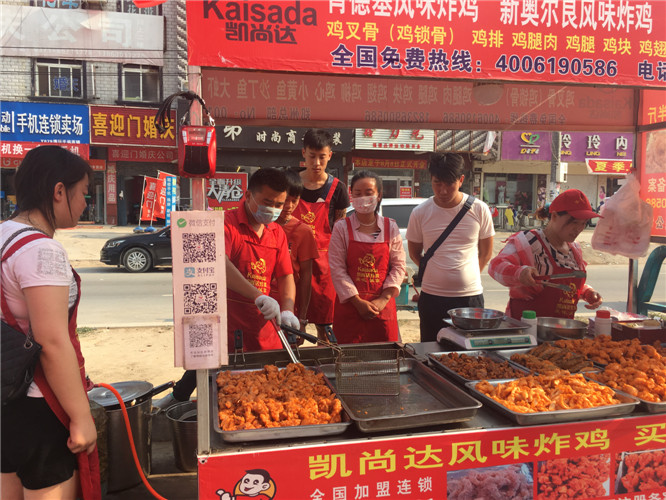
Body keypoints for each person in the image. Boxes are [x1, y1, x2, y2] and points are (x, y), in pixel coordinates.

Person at [1, 146, 100, 500]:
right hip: (39, 404)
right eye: (83, 193)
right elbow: (52, 342)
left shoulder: (3, 234)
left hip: (6, 397)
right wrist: (81, 418)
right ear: (59, 191)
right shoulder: (41, 251)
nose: (86, 204)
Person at [156, 168, 298, 409]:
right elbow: (217, 263)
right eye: (267, 202)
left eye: (279, 204)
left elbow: (285, 275)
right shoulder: (225, 225)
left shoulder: (277, 233)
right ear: (248, 195)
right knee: (228, 398)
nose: (273, 209)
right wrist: (258, 296)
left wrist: (287, 309)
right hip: (231, 328)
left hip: (266, 328)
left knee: (268, 395)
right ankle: (178, 397)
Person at [406, 153, 495, 342]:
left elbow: (486, 253)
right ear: (430, 180)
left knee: (470, 352)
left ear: (461, 180)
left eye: (449, 183)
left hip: (470, 298)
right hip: (431, 297)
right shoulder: (420, 212)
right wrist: (436, 272)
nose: (443, 190)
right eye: (437, 183)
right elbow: (414, 252)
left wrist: (469, 275)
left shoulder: (479, 209)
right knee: (431, 348)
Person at [488, 189, 603, 320]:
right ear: (554, 216)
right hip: (525, 329)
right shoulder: (528, 241)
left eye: (583, 223)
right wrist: (519, 273)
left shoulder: (574, 249)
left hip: (562, 331)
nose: (579, 229)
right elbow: (495, 267)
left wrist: (587, 292)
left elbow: (564, 286)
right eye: (574, 222)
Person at [329, 171, 406, 343]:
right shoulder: (341, 227)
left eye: (369, 193)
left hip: (382, 308)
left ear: (379, 196)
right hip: (350, 307)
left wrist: (383, 299)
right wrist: (357, 302)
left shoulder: (390, 227)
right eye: (358, 193)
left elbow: (399, 266)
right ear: (351, 195)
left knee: (385, 360)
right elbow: (337, 268)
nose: (363, 198)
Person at [292, 129, 350, 339]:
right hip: (293, 265)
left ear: (330, 155)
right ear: (303, 153)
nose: (317, 162)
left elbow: (341, 228)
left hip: (324, 267)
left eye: (322, 157)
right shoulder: (291, 185)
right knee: (292, 327)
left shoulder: (338, 189)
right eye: (312, 156)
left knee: (324, 328)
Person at [273, 169, 318, 332]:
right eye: (285, 200)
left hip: (290, 305)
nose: (289, 206)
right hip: (260, 301)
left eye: (295, 200)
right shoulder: (261, 225)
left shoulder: (303, 231)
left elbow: (306, 276)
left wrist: (303, 319)